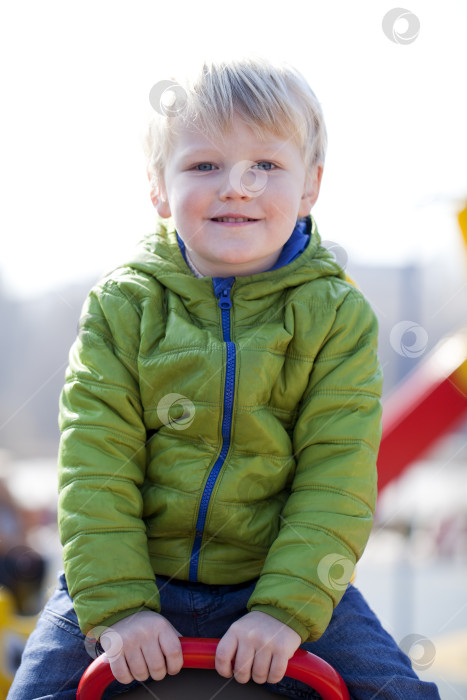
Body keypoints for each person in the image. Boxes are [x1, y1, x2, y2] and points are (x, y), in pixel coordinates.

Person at [8, 56, 441, 700]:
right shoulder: (122, 308)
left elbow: (337, 475)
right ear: (158, 186)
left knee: (396, 692)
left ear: (310, 185)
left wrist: (286, 610)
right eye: (204, 165)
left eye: (265, 166)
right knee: (38, 690)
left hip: (275, 580)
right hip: (133, 576)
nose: (236, 186)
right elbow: (95, 466)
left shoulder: (335, 316)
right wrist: (120, 605)